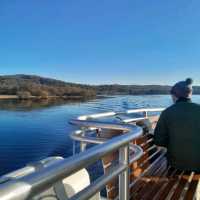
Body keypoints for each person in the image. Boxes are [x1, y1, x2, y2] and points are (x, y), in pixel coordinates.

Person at [154, 78, 200, 172]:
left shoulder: (167, 113)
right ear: (190, 94)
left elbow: (159, 141)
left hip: (176, 165)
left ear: (174, 96)